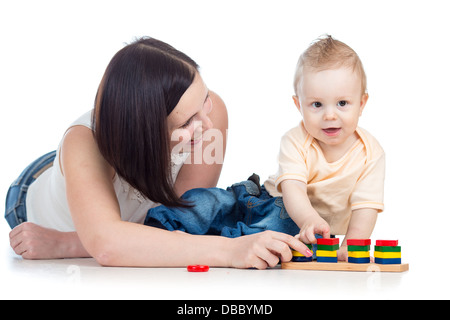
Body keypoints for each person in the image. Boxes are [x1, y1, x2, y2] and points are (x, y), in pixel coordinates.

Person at [5, 37, 311, 269]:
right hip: (40, 193)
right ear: (146, 131)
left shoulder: (209, 114)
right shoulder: (85, 144)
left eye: (202, 99)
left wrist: (75, 243)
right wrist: (232, 250)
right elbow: (108, 245)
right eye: (187, 122)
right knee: (81, 158)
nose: (206, 126)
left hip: (111, 191)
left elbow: (182, 218)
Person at [145, 35, 385, 261]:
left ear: (362, 103)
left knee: (271, 236)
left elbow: (366, 208)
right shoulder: (296, 139)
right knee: (211, 203)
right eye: (317, 105)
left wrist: (353, 246)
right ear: (298, 105)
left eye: (342, 103)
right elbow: (294, 191)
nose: (330, 115)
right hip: (271, 201)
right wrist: (310, 219)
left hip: (294, 228)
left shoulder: (370, 153)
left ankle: (202, 244)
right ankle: (161, 223)